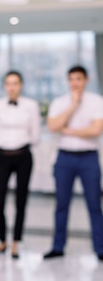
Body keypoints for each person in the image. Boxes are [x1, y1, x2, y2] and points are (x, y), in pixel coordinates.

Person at [43, 65, 103, 261]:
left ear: (86, 80)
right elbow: (53, 126)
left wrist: (68, 130)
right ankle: (58, 247)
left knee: (94, 204)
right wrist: (73, 106)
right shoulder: (60, 102)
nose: (75, 83)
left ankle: (100, 248)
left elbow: (95, 131)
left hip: (89, 157)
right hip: (64, 158)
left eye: (79, 79)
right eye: (72, 79)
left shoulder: (97, 101)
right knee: (62, 204)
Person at [0, 71, 40, 259]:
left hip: (23, 155)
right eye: (8, 83)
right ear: (4, 86)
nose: (12, 87)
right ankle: (2, 240)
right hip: (3, 155)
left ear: (21, 85)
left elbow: (35, 134)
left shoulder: (31, 106)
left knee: (21, 200)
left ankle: (16, 242)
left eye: (15, 83)